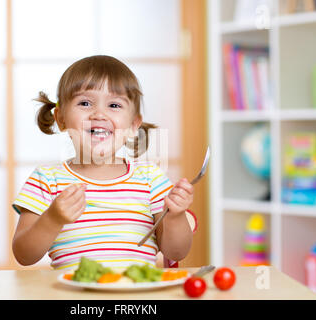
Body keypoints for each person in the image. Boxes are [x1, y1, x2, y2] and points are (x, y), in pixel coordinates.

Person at [12, 55, 197, 270]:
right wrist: (52, 219)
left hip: (136, 298)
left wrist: (175, 216)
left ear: (133, 124)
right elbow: (23, 255)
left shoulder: (150, 178)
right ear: (61, 118)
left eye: (114, 105)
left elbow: (176, 252)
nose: (99, 114)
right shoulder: (47, 179)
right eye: (85, 103)